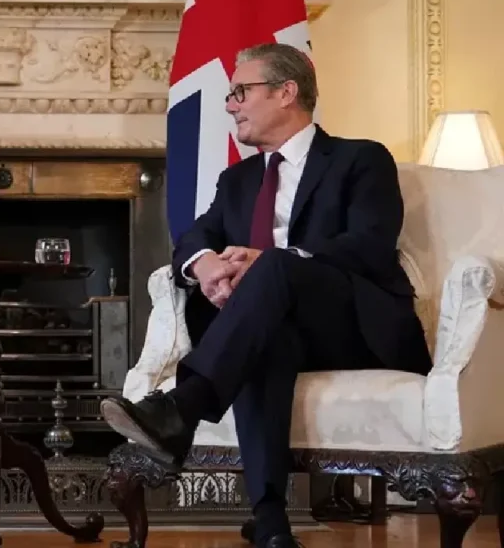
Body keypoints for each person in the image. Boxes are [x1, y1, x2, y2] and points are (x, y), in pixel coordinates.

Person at [100, 43, 431, 548]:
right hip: (274, 326)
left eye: (240, 92)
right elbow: (194, 237)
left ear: (286, 92)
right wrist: (206, 265)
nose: (230, 105)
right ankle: (272, 522)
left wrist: (276, 261)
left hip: (352, 324)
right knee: (262, 340)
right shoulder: (237, 179)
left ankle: (183, 405)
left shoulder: (360, 158)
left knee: (272, 266)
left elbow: (370, 244)